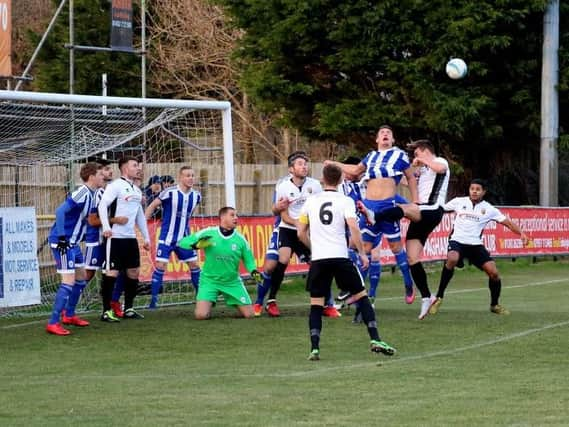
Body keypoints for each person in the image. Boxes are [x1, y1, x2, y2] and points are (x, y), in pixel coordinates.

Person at [297, 163, 396, 360]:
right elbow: (354, 228)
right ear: (341, 180)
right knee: (362, 296)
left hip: (319, 259)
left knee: (316, 304)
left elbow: (300, 232)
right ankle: (375, 338)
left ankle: (314, 348)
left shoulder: (311, 201)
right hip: (340, 257)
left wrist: (313, 248)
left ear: (323, 179)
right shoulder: (345, 201)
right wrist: (361, 253)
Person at [327, 125, 419, 305]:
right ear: (377, 140)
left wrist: (415, 202)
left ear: (392, 140)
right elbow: (354, 171)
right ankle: (359, 291)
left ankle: (408, 283)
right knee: (365, 248)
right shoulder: (370, 156)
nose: (385, 134)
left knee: (395, 247)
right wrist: (335, 164)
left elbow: (411, 178)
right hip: (368, 207)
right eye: (382, 133)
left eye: (389, 133)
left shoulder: (399, 155)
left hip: (387, 206)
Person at [363, 140, 451, 319]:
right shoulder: (422, 170)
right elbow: (405, 179)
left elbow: (439, 169)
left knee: (403, 208)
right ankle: (427, 297)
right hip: (421, 215)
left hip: (432, 209)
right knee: (412, 258)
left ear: (425, 151)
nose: (415, 157)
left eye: (416, 153)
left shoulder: (440, 161)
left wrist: (422, 161)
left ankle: (375, 217)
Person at [429, 178, 529, 316]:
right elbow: (439, 209)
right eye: (472, 189)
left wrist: (522, 233)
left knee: (493, 273)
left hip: (475, 245)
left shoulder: (488, 209)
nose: (474, 192)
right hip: (457, 241)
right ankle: (438, 298)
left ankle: (494, 305)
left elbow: (508, 223)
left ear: (483, 192)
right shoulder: (459, 201)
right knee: (452, 258)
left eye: (478, 189)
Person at [46, 162, 105, 335]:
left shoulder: (93, 194)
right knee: (68, 281)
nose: (104, 177)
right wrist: (63, 237)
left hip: (74, 243)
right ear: (92, 176)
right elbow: (59, 211)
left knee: (80, 279)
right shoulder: (82, 192)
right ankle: (53, 322)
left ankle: (69, 314)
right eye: (101, 174)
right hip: (63, 243)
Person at [265, 150, 324, 317]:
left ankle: (325, 303)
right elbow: (282, 213)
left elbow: (318, 209)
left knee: (319, 263)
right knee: (282, 259)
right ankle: (271, 301)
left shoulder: (315, 185)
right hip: (288, 228)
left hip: (307, 230)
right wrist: (297, 223)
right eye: (300, 164)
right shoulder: (283, 186)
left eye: (305, 164)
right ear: (291, 169)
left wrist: (307, 227)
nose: (304, 167)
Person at [178, 207, 259, 320]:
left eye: (236, 215)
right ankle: (207, 305)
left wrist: (254, 272)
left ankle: (235, 302)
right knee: (200, 316)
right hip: (210, 281)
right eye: (232, 215)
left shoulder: (241, 239)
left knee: (250, 315)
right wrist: (195, 246)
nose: (236, 218)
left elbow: (249, 261)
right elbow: (182, 242)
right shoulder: (209, 233)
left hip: (232, 282)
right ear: (222, 217)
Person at [98, 156, 151, 321]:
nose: (138, 168)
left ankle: (129, 308)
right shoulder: (115, 186)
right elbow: (102, 205)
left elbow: (140, 216)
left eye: (138, 166)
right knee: (111, 273)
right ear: (125, 168)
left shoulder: (136, 190)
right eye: (135, 165)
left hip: (130, 238)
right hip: (115, 238)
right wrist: (106, 227)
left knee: (133, 272)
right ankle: (106, 311)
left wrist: (146, 237)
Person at [145, 166, 202, 308]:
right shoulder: (169, 192)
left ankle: (201, 297)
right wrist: (143, 225)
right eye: (187, 175)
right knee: (160, 266)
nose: (190, 178)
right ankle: (153, 302)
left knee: (194, 265)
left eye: (192, 175)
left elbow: (187, 215)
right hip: (167, 237)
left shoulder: (196, 196)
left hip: (185, 238)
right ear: (181, 177)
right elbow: (152, 206)